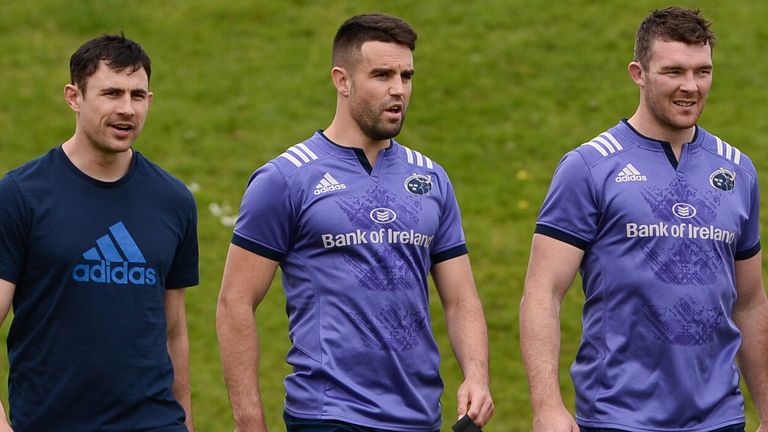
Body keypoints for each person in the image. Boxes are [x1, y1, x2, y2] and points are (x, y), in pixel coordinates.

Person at [217, 13, 493, 432]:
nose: (398, 90)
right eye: (381, 75)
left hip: (421, 417)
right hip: (330, 415)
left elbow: (460, 299)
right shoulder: (286, 179)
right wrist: (249, 420)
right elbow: (235, 302)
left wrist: (476, 374)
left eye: (406, 75)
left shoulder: (431, 178)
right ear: (342, 80)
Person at [520, 6, 768, 432]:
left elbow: (749, 302)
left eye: (702, 71)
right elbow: (543, 291)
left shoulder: (737, 171)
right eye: (673, 71)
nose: (690, 86)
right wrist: (547, 407)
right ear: (638, 72)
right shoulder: (589, 167)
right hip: (618, 418)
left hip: (719, 420)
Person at [0, 34, 198, 431]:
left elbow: (173, 332)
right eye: (111, 93)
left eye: (137, 96)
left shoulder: (173, 200)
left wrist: (186, 423)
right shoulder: (21, 195)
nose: (127, 109)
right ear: (74, 97)